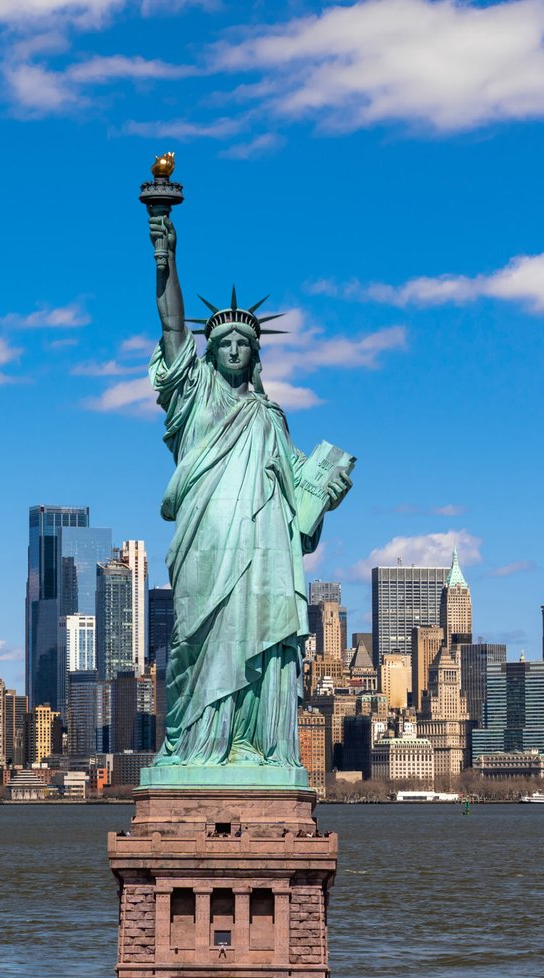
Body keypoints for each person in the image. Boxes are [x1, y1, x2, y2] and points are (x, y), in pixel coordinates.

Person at [147, 213, 350, 773]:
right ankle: (197, 748)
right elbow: (171, 329)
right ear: (210, 352)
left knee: (257, 638)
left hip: (263, 551)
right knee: (198, 639)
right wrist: (166, 258)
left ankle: (253, 745)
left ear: (255, 355)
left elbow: (298, 490)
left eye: (244, 343)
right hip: (206, 538)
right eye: (224, 342)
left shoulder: (269, 416)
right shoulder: (194, 396)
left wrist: (328, 489)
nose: (234, 349)